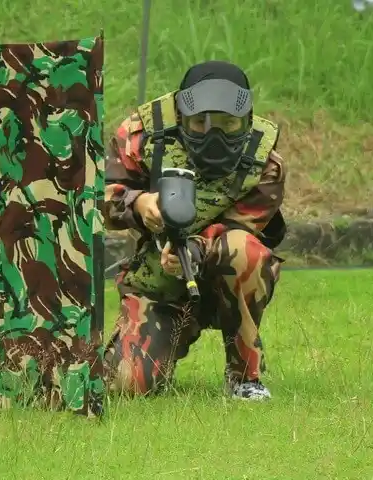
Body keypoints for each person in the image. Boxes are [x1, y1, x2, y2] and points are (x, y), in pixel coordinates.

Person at [101, 60, 287, 401]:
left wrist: (195, 250)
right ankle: (156, 351)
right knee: (126, 384)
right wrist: (139, 204)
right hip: (159, 284)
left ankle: (244, 376)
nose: (211, 133)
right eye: (198, 122)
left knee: (244, 251)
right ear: (179, 113)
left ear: (245, 120)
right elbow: (98, 194)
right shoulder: (143, 136)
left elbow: (241, 229)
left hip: (223, 279)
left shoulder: (264, 163)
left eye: (226, 123)